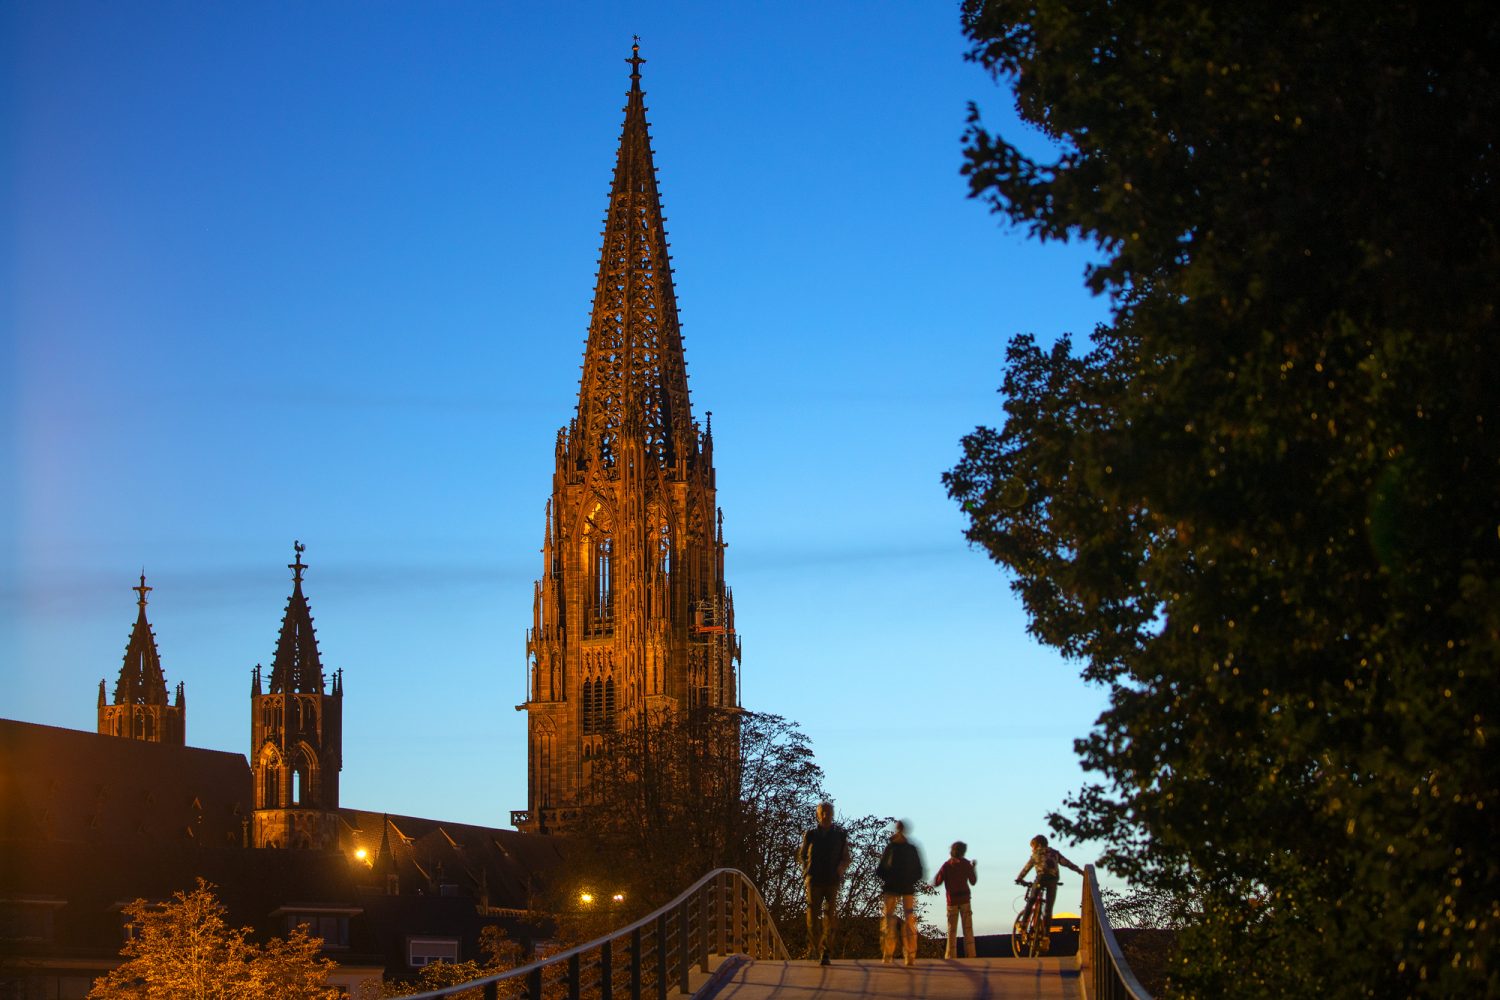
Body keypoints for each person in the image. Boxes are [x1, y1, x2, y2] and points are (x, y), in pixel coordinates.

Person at [797, 802, 849, 965]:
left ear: (832, 814)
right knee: (812, 916)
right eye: (823, 812)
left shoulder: (840, 835)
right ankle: (815, 947)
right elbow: (802, 855)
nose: (825, 815)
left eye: (828, 812)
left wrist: (841, 867)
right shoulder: (810, 835)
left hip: (832, 880)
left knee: (830, 915)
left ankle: (826, 950)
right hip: (814, 880)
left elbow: (846, 857)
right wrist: (806, 870)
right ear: (818, 815)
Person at [876, 819, 924, 967]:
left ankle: (891, 953)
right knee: (904, 919)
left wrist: (890, 877)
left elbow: (881, 869)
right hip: (902, 887)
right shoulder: (909, 848)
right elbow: (919, 870)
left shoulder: (892, 848)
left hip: (895, 887)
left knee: (892, 920)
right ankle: (906, 954)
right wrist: (909, 879)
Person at [1015, 834, 1084, 930]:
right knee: (1048, 908)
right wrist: (1080, 871)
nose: (1032, 850)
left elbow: (1026, 868)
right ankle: (1046, 935)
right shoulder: (1054, 853)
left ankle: (1023, 924)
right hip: (1053, 880)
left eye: (1032, 847)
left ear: (1038, 845)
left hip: (1041, 879)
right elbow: (1067, 863)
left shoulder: (1036, 854)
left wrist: (1019, 879)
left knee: (1032, 900)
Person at [933, 840, 978, 959]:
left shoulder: (946, 866)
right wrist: (973, 868)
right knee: (968, 929)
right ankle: (971, 954)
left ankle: (950, 955)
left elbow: (937, 882)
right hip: (965, 899)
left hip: (952, 901)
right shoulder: (966, 864)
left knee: (951, 930)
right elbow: (973, 881)